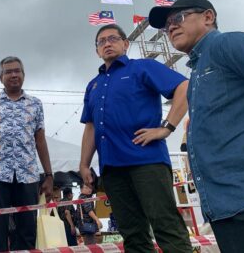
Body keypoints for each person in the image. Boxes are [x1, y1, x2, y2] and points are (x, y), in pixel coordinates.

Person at [148, 0, 244, 252]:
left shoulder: (228, 43)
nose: (171, 28)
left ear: (208, 17)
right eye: (166, 27)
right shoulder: (198, 72)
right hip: (225, 204)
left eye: (177, 18)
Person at [79, 24, 192, 252]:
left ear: (125, 43)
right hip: (112, 169)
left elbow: (184, 86)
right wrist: (83, 164)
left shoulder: (143, 68)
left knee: (165, 225)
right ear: (97, 50)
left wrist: (166, 128)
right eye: (102, 41)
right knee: (132, 234)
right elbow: (90, 127)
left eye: (113, 38)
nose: (107, 43)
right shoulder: (93, 85)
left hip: (147, 162)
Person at [0, 56, 54, 252]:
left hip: (28, 175)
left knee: (27, 231)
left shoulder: (35, 104)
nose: (13, 74)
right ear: (0, 77)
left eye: (17, 71)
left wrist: (48, 175)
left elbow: (40, 140)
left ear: (23, 75)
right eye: (8, 71)